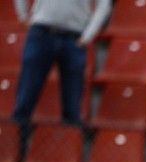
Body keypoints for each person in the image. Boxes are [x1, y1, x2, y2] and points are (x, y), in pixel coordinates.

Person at [12, 0, 111, 129]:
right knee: (25, 101)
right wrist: (23, 16)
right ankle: (16, 147)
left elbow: (104, 6)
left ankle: (69, 147)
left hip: (73, 38)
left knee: (72, 107)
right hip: (42, 32)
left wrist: (88, 35)